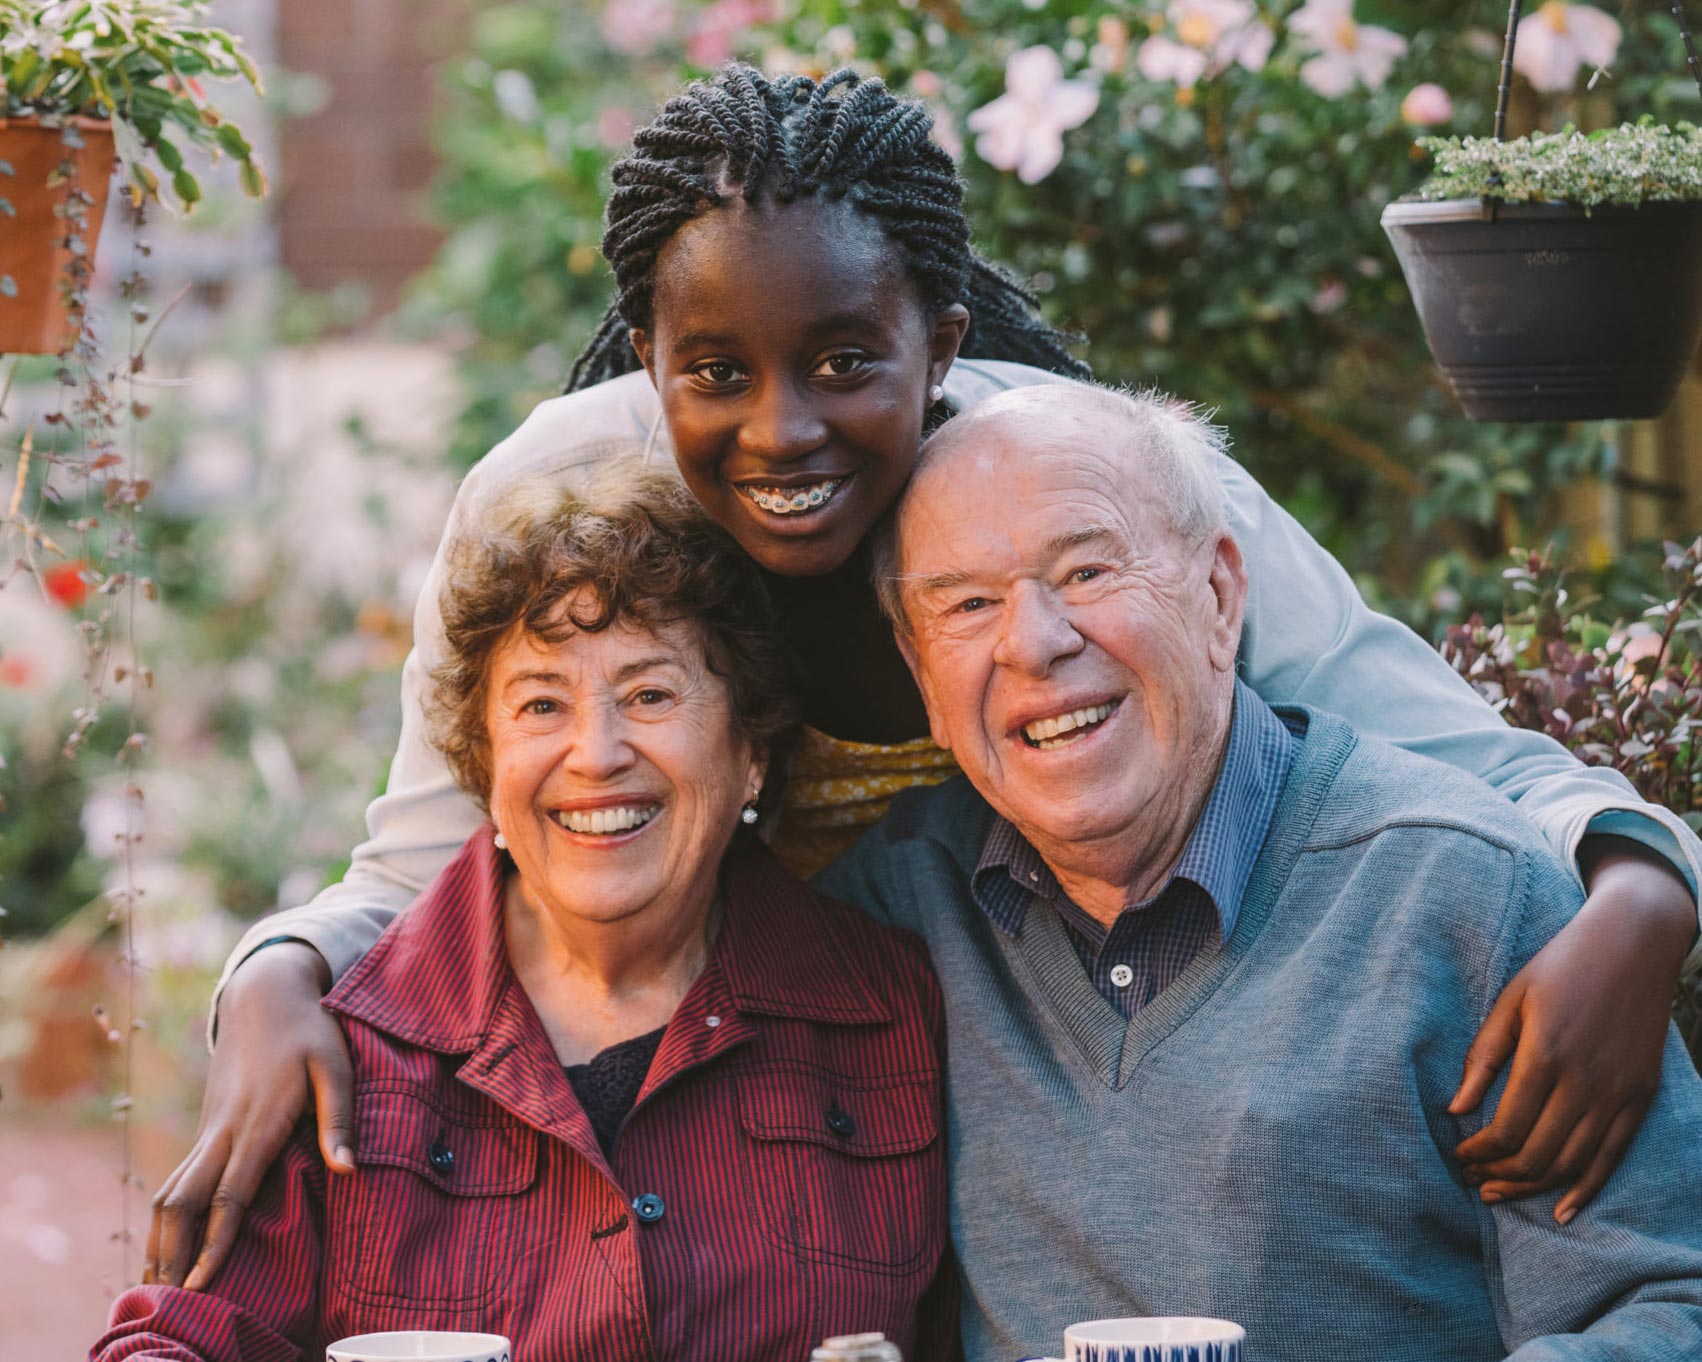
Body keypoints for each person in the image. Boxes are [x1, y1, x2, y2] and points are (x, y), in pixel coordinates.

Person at [147, 65, 1701, 1292]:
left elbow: (1439, 734)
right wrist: (276, 976)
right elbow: (434, 849)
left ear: (938, 341)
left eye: (844, 362)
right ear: (643, 352)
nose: (781, 432)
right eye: (714, 372)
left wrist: (1640, 895)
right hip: (774, 1037)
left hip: (1018, 1012)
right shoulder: (564, 500)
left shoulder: (1074, 483)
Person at [828, 383, 1702, 1361]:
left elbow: (1667, 1307)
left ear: (1218, 597)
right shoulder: (892, 908)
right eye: (968, 603)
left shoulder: (1459, 891)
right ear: (917, 667)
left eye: (1084, 571)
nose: (1033, 640)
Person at [98, 473, 954, 1361]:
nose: (598, 754)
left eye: (651, 695)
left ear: (751, 754)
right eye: (542, 704)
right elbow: (190, 1337)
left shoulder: (896, 1006)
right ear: (485, 766)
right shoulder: (345, 1041)